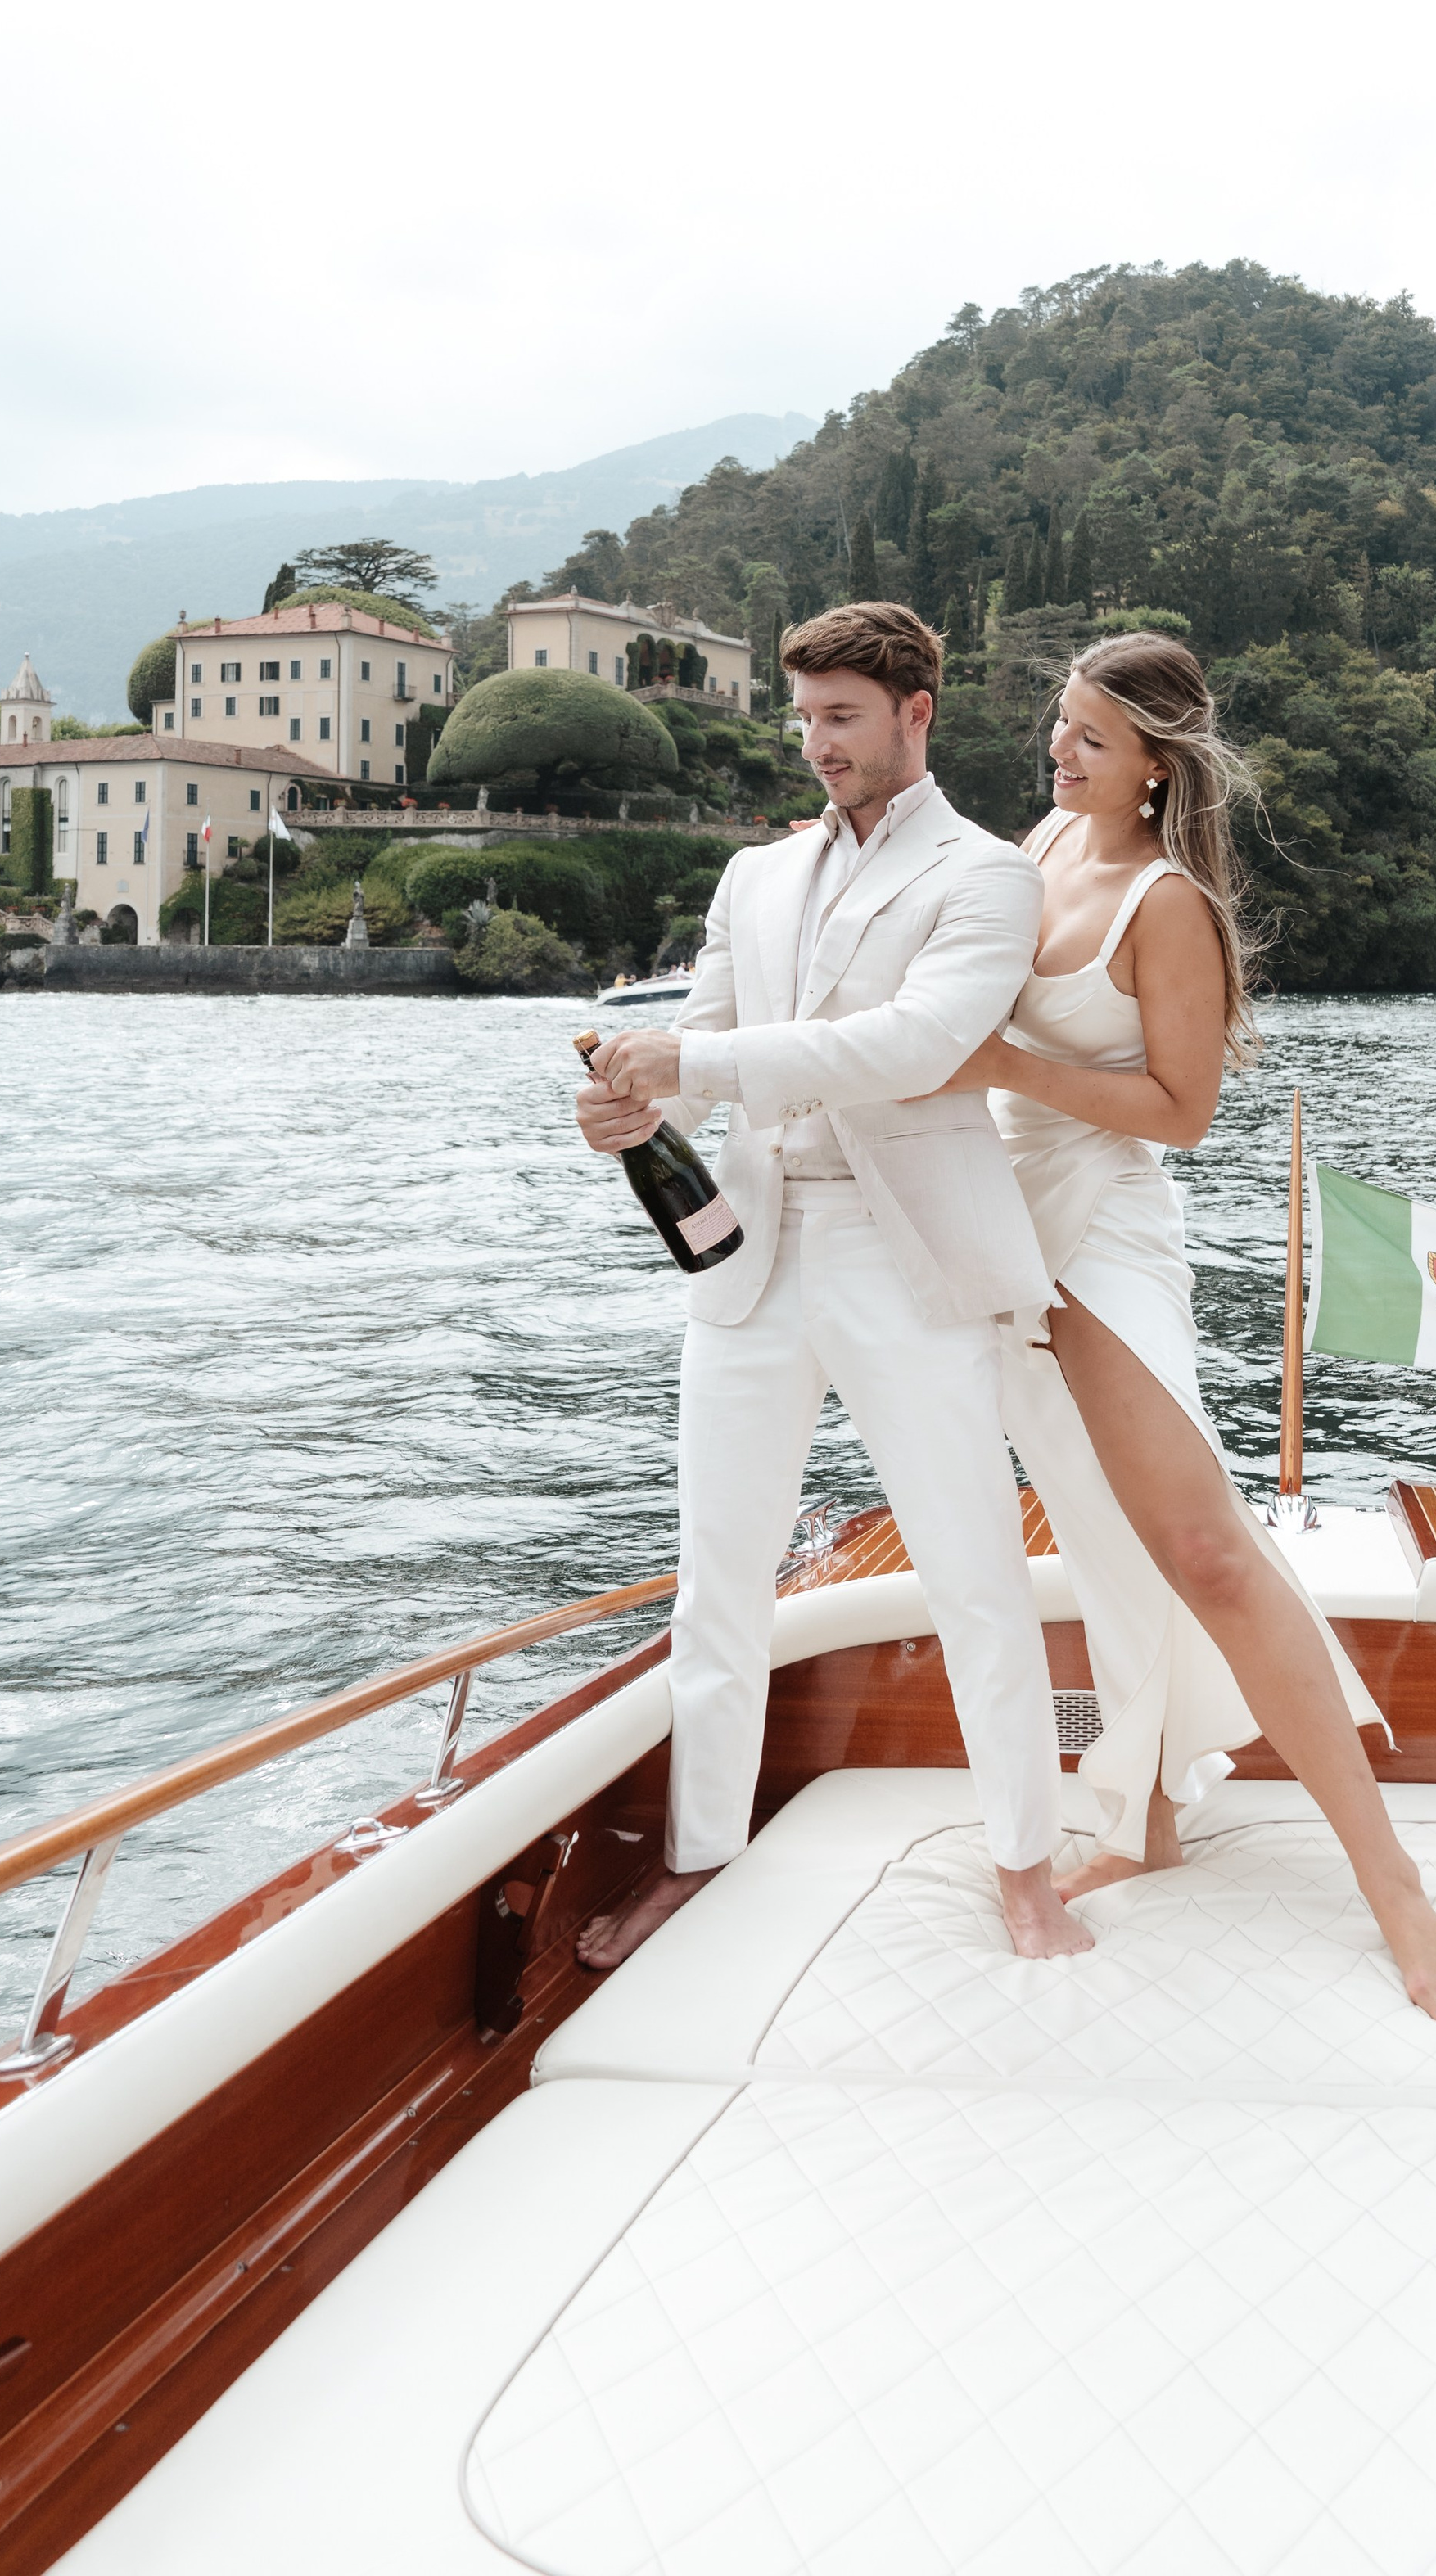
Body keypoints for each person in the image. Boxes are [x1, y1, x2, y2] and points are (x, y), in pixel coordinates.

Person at [942, 630, 1436, 2027]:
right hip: (1000, 1219)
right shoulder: (1037, 845)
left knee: (1206, 1552)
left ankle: (1394, 1885)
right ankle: (1147, 1814)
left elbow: (1183, 1112)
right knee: (1099, 1531)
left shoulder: (1167, 903)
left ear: (1155, 767)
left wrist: (1004, 1060)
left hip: (1104, 1224)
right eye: (1061, 724)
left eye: (1090, 739)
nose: (1058, 751)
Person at [573, 602, 1090, 1969]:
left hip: (902, 1250)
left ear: (919, 713)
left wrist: (689, 1064)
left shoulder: (989, 875)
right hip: (748, 1250)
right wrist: (631, 1104)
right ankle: (698, 1858)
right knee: (717, 1578)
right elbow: (702, 1046)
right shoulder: (753, 875)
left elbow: (916, 1047)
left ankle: (1027, 1871)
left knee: (973, 1569)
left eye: (842, 717)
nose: (816, 744)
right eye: (803, 717)